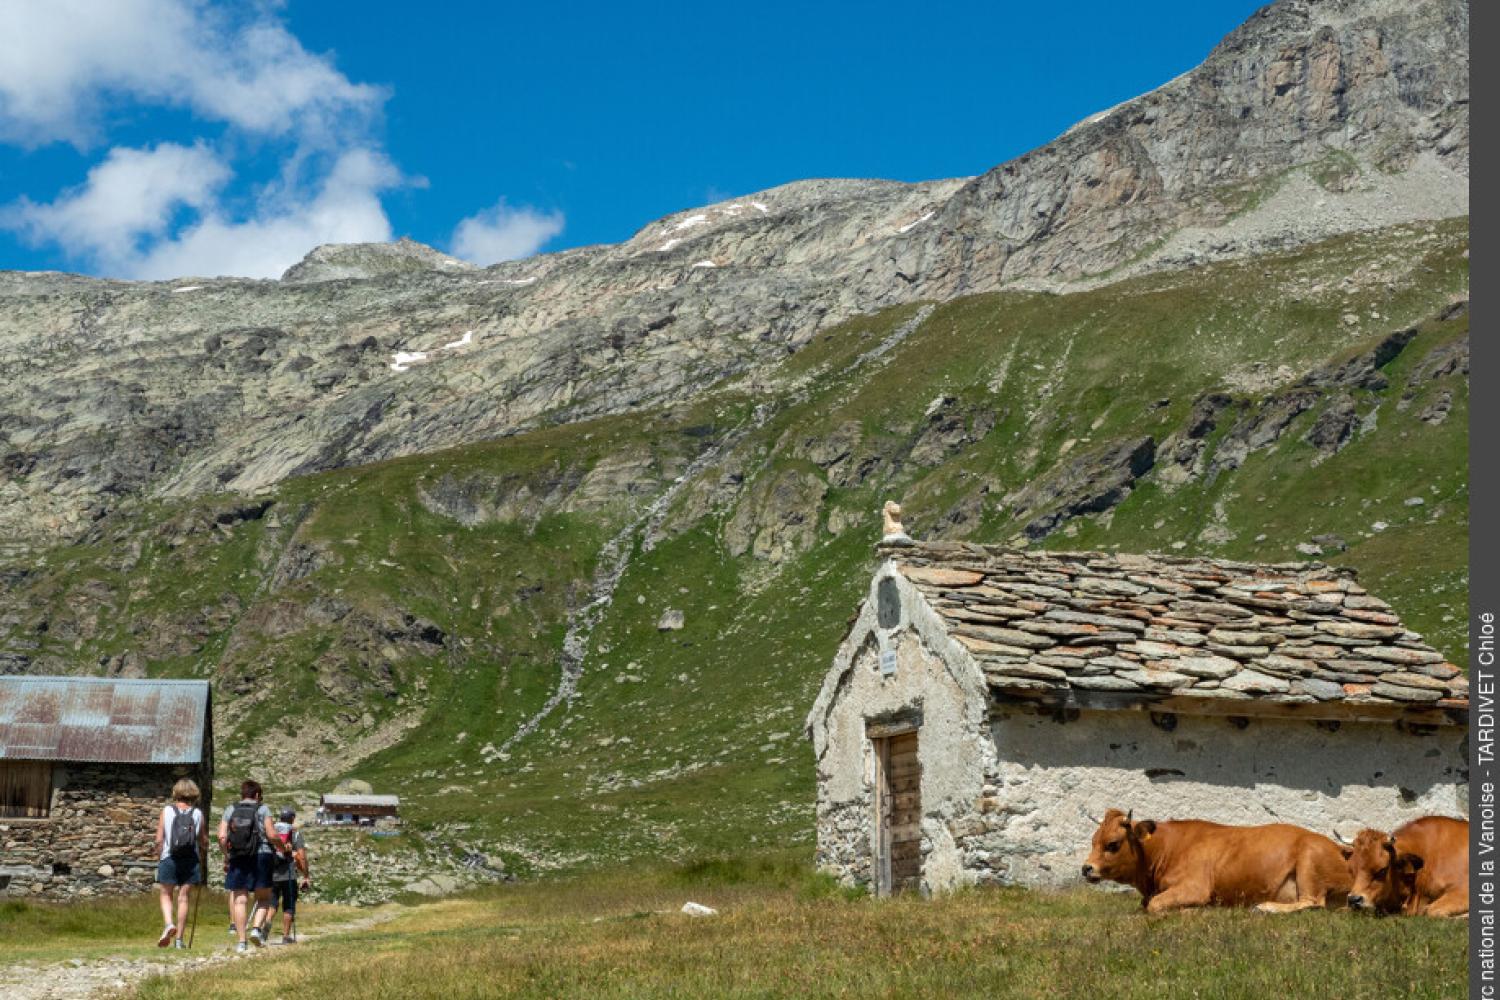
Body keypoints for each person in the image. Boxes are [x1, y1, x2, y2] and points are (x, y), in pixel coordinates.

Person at [217, 779, 289, 953]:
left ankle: (242, 942)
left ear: (242, 794)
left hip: (238, 856)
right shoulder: (262, 809)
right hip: (261, 855)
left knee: (240, 899)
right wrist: (282, 847)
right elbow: (272, 834)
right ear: (257, 795)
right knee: (263, 897)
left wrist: (227, 857)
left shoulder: (230, 809)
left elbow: (221, 837)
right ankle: (256, 929)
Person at [153, 778, 207, 949]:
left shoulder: (167, 811)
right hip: (190, 860)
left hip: (169, 858)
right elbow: (203, 840)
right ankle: (179, 941)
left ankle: (169, 924)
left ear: (176, 792)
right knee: (183, 898)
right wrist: (205, 850)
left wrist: (158, 856)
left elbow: (159, 839)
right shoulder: (198, 814)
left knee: (166, 894)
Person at [269, 807, 310, 943]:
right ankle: (286, 936)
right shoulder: (294, 833)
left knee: (272, 902)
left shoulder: (272, 830)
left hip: (272, 871)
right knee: (289, 905)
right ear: (292, 819)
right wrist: (306, 876)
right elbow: (302, 857)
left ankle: (266, 923)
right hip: (289, 874)